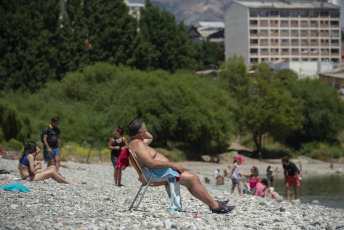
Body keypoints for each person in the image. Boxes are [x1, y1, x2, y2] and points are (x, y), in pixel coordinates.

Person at [127, 119, 235, 214]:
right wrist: (172, 164)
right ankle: (215, 206)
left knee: (192, 180)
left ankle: (214, 203)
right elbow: (151, 163)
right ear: (140, 132)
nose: (147, 131)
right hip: (155, 174)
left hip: (157, 172)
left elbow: (150, 137)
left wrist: (142, 131)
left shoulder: (136, 142)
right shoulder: (139, 144)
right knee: (193, 179)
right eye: (145, 129)